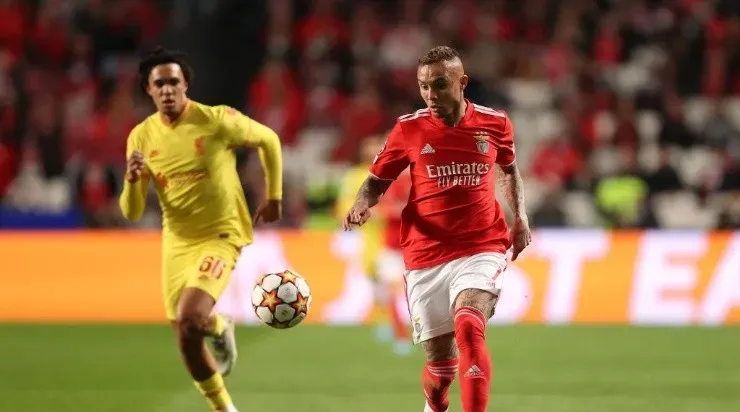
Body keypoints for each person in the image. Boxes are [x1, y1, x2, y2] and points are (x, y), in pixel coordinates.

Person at [343, 46, 531, 412]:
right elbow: (376, 180)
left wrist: (520, 216)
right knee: (440, 370)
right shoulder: (408, 129)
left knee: (469, 325)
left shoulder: (495, 123)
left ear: (462, 83)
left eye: (439, 85)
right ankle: (434, 402)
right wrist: (362, 203)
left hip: (482, 246)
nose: (430, 95)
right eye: (423, 86)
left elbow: (508, 170)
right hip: (425, 255)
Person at [119, 47, 283, 412]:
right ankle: (223, 384)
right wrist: (132, 181)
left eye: (173, 82)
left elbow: (268, 140)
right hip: (177, 241)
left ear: (186, 84)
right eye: (158, 83)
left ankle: (214, 326)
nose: (166, 89)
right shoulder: (140, 138)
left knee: (191, 316)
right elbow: (130, 212)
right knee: (187, 335)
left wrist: (273, 197)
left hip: (221, 234)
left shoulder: (215, 120)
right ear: (148, 90)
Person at [335, 134, 410, 352]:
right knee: (377, 282)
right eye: (370, 148)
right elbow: (345, 205)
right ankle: (388, 322)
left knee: (391, 284)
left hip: (389, 238)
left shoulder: (392, 174)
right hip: (368, 237)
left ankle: (396, 328)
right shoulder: (355, 176)